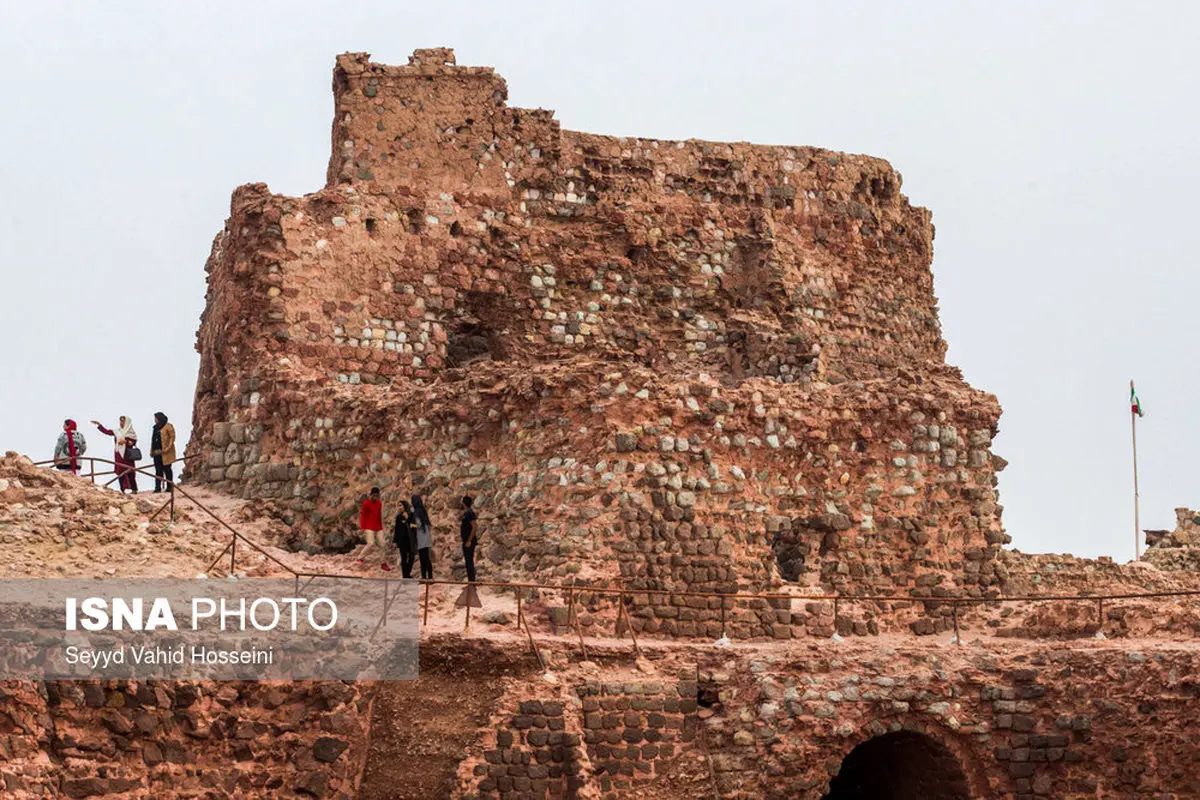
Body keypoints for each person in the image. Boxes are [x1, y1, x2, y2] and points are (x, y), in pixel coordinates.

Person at [91, 416, 138, 493]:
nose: (121, 423)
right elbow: (107, 432)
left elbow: (132, 443)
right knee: (120, 472)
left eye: (123, 421)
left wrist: (125, 441)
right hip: (118, 454)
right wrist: (99, 425)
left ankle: (134, 489)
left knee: (130, 472)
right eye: (120, 421)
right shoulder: (117, 431)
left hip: (127, 455)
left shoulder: (131, 433)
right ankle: (122, 490)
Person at [358, 487, 390, 570]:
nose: (375, 497)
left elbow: (380, 515)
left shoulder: (379, 503)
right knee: (371, 543)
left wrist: (383, 527)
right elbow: (363, 515)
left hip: (378, 527)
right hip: (369, 527)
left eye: (377, 495)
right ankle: (360, 558)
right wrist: (362, 527)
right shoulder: (366, 503)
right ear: (371, 495)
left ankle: (383, 563)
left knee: (383, 544)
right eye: (374, 495)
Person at [150, 412, 176, 493]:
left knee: (167, 469)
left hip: (166, 452)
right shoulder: (155, 428)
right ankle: (157, 488)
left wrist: (168, 447)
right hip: (157, 452)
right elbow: (153, 440)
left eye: (156, 418)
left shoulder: (168, 426)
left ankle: (169, 487)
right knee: (158, 470)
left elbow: (172, 437)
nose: (155, 420)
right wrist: (151, 450)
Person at [393, 500, 418, 578]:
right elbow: (396, 529)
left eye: (401, 505)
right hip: (402, 541)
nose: (399, 507)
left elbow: (414, 526)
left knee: (412, 556)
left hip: (411, 540)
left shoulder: (412, 515)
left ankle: (408, 572)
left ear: (405, 506)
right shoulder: (398, 517)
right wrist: (395, 541)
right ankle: (405, 576)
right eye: (398, 506)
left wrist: (408, 518)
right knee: (404, 558)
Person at [412, 491, 433, 580]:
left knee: (422, 559)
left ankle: (424, 576)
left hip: (421, 539)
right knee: (427, 558)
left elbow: (419, 524)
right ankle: (430, 576)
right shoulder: (423, 511)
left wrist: (412, 525)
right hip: (426, 538)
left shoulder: (416, 512)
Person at [460, 495, 479, 582]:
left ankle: (472, 582)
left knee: (469, 562)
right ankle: (470, 581)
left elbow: (474, 527)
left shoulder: (469, 513)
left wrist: (469, 541)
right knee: (468, 562)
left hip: (469, 542)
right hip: (466, 541)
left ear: (463, 503)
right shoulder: (466, 513)